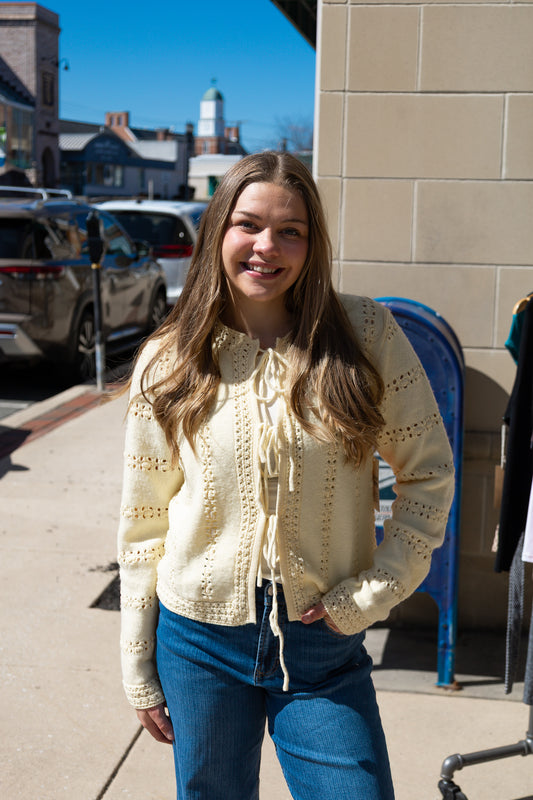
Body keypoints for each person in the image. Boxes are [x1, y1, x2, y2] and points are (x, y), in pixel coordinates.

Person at [117, 151, 455, 800]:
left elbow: (429, 474)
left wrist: (375, 591)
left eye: (289, 230)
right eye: (247, 224)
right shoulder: (170, 358)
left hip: (320, 642)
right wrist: (138, 664)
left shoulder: (364, 333)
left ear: (311, 242)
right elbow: (142, 526)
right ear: (218, 229)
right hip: (198, 641)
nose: (265, 247)